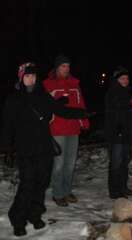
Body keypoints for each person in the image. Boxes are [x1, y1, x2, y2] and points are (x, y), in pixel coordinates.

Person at [0, 63, 88, 237]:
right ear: (21, 78)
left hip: (44, 148)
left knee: (41, 183)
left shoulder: (43, 95)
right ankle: (18, 219)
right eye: (27, 76)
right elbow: (7, 126)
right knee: (27, 185)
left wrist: (82, 114)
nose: (30, 79)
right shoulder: (13, 99)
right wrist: (7, 149)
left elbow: (60, 110)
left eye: (33, 76)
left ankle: (35, 214)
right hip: (26, 150)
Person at [43, 55, 90, 206]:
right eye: (63, 66)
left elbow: (80, 104)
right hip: (57, 129)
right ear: (57, 67)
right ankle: (58, 193)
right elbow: (45, 107)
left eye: (68, 66)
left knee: (70, 164)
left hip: (73, 129)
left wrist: (84, 122)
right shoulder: (48, 84)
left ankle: (67, 190)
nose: (66, 69)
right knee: (59, 164)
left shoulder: (75, 84)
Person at [104, 66, 132, 199]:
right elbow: (117, 105)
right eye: (122, 78)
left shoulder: (127, 92)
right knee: (116, 162)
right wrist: (130, 102)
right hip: (116, 133)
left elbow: (127, 112)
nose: (126, 80)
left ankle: (123, 187)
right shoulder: (112, 92)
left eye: (127, 78)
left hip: (126, 133)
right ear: (116, 80)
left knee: (125, 162)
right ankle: (114, 191)